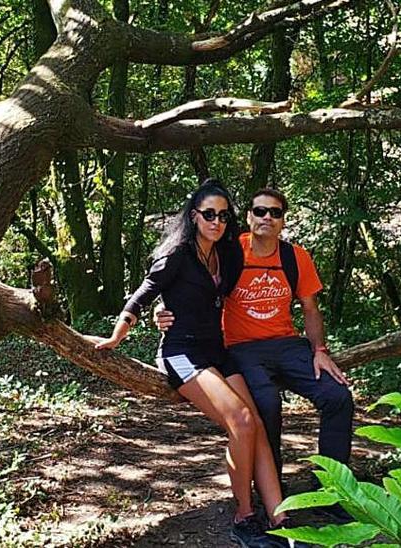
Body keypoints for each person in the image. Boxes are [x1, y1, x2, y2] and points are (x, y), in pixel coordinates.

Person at [84, 180, 288, 548]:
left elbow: (224, 300)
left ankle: (282, 519)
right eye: (209, 214)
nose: (217, 221)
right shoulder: (177, 254)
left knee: (254, 420)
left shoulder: (227, 255)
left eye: (223, 215)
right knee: (240, 421)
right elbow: (143, 294)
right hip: (181, 352)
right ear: (194, 216)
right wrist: (117, 336)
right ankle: (244, 517)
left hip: (217, 350)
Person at [157, 187, 355, 519]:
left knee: (338, 397)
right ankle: (273, 496)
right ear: (248, 217)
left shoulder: (295, 257)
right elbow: (186, 280)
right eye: (259, 211)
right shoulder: (231, 251)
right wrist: (162, 309)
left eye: (274, 213)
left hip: (288, 345)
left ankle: (335, 493)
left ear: (282, 221)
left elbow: (310, 308)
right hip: (241, 348)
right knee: (265, 406)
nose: (266, 218)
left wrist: (319, 350)